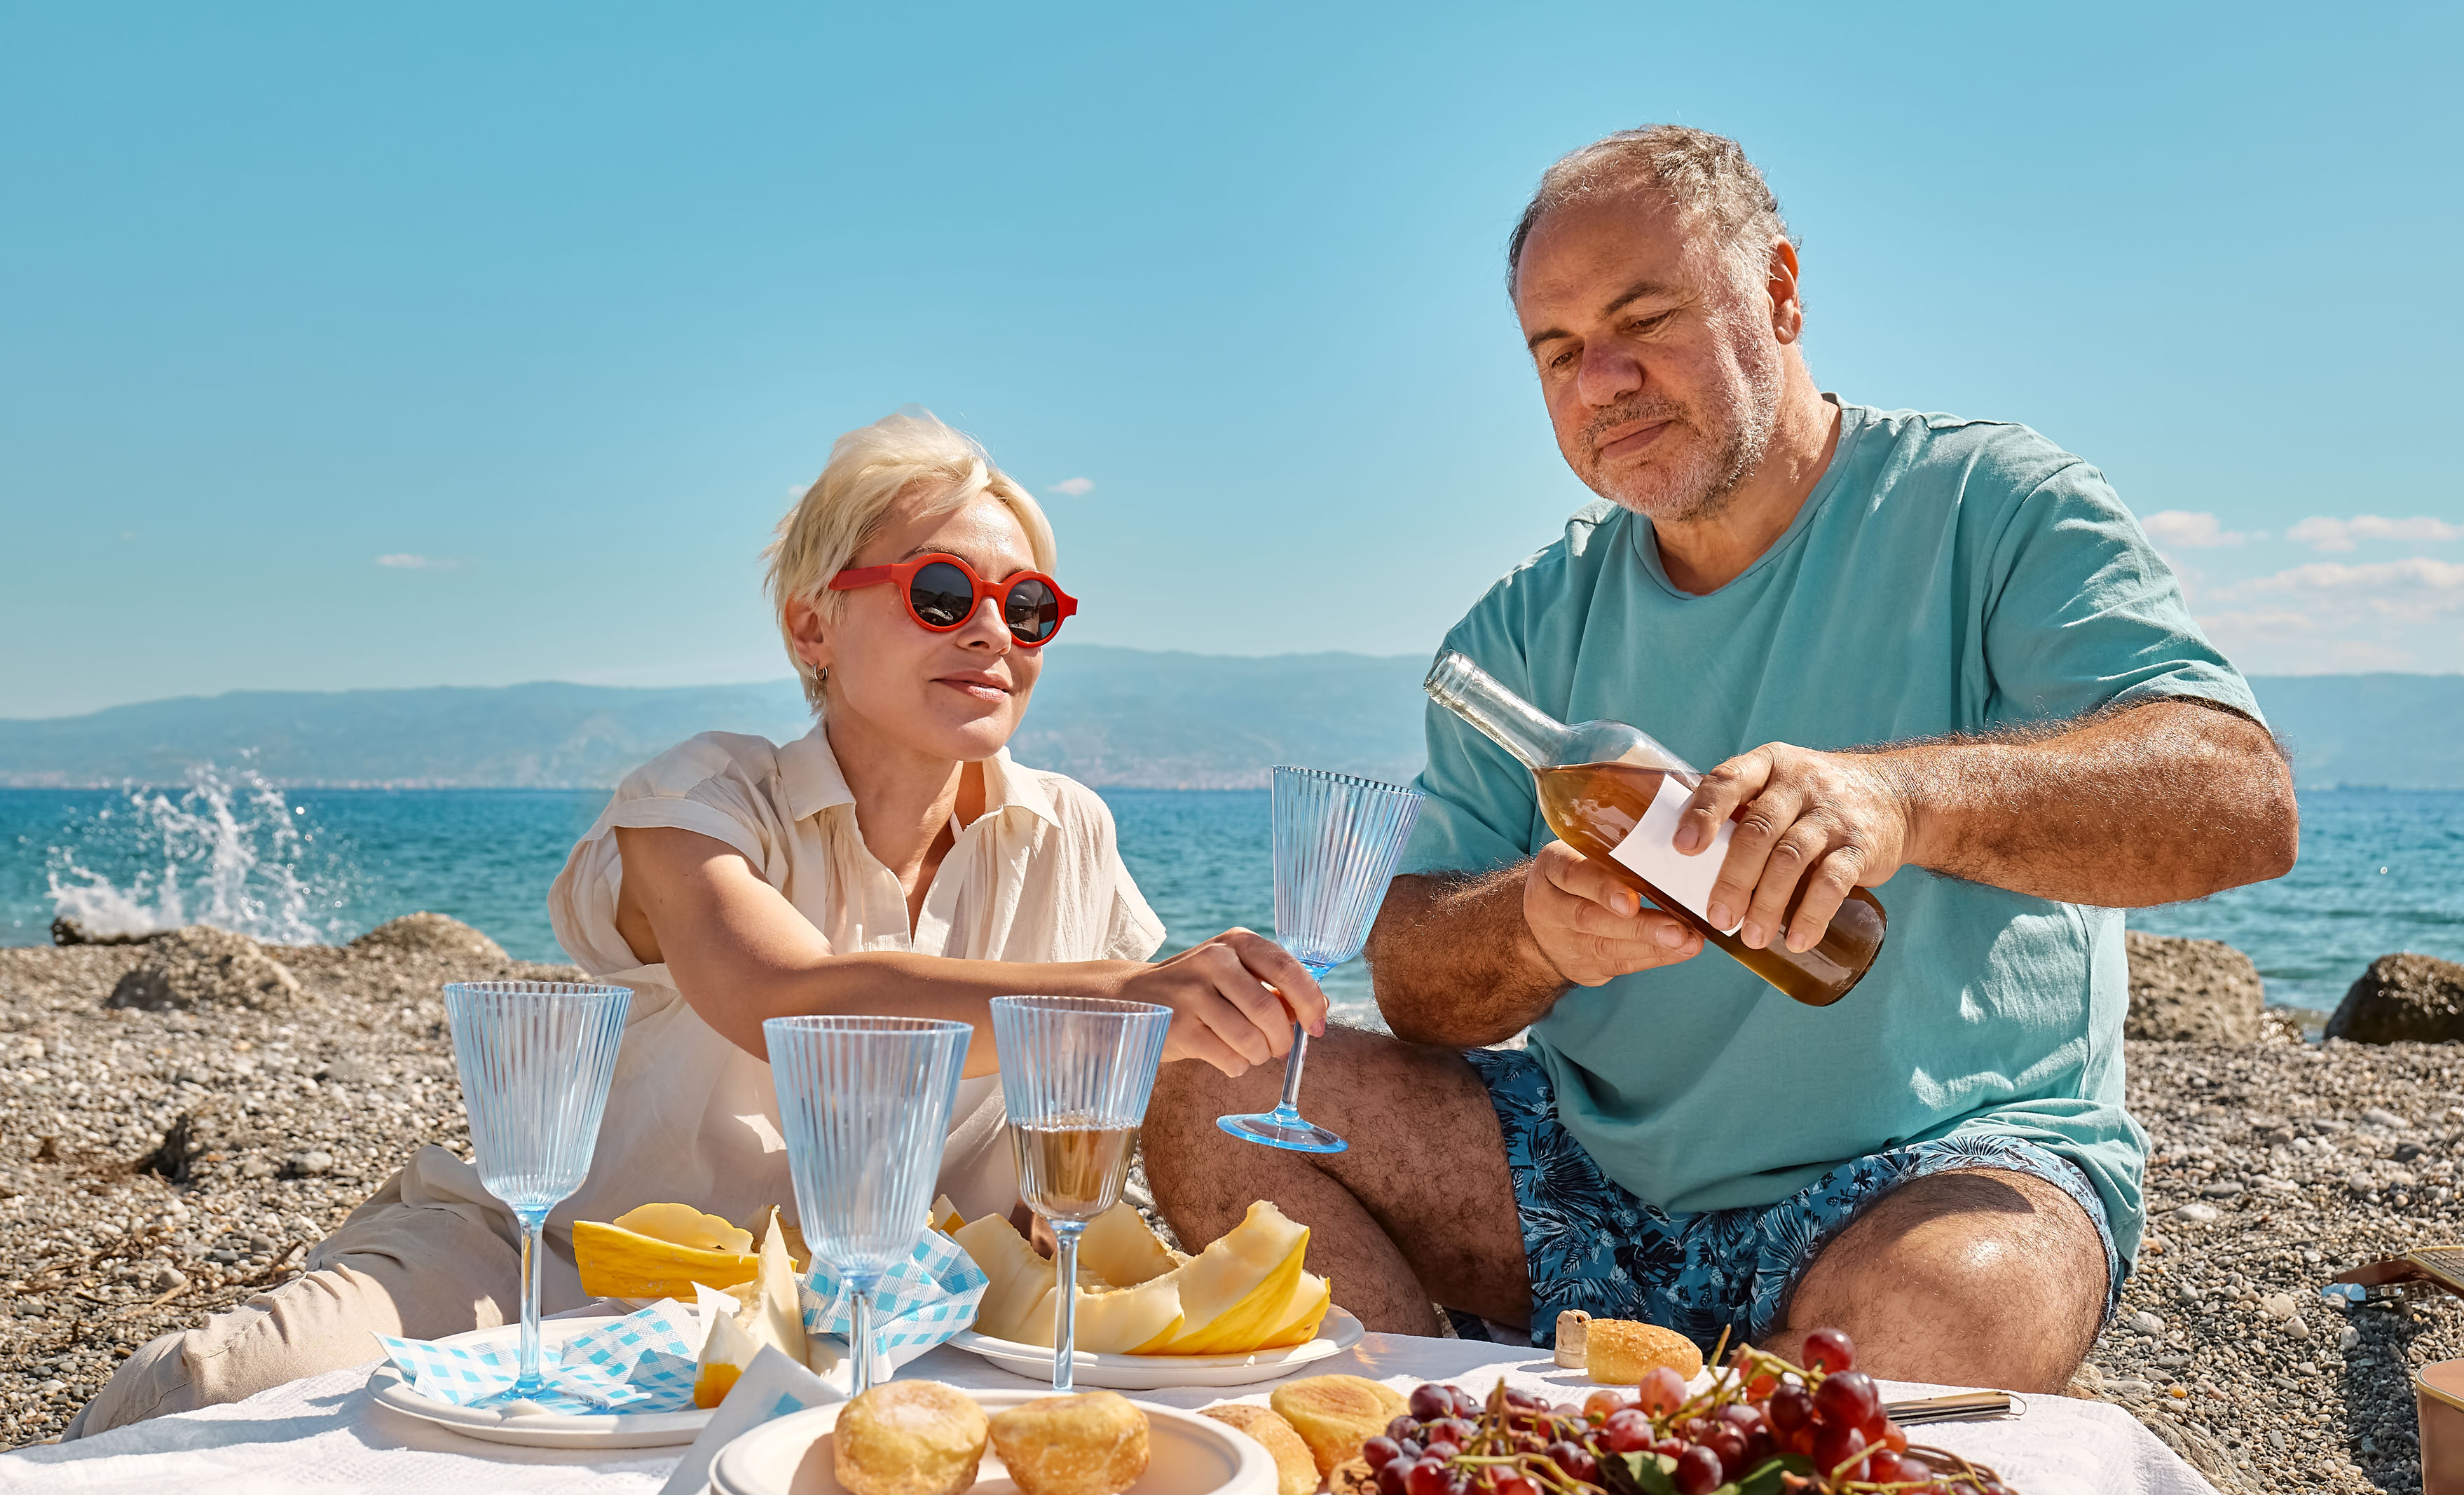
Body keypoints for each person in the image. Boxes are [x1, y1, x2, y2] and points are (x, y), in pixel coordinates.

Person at [1142, 126, 2296, 1393]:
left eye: (1647, 319)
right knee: (1211, 1085)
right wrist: (1531, 929)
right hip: (1592, 1174)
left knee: (1948, 1314)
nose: (1605, 382)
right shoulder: (1526, 629)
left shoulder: (1993, 505)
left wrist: (1901, 799)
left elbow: (2237, 795)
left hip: (1930, 1170)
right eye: (1560, 352)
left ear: (1782, 290)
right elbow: (1417, 983)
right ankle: (1427, 1439)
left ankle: (1642, 1414)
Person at [72, 410, 1322, 1433]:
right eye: (943, 592)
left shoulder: (1070, 831)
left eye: (1029, 604)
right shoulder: (698, 798)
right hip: (551, 1270)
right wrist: (1124, 1000)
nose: (994, 629)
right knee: (222, 1395)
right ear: (812, 625)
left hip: (878, 1309)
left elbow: (1094, 1133)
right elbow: (779, 996)